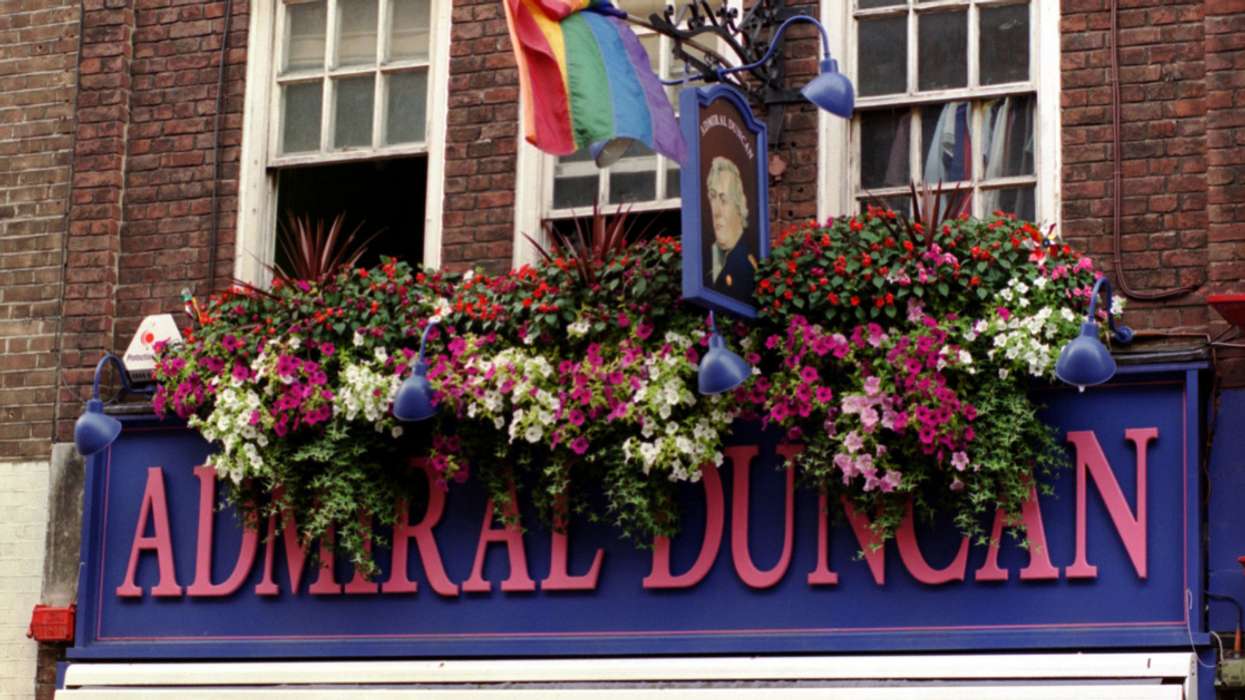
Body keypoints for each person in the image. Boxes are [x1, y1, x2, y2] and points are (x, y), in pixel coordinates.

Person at [703, 156, 756, 304]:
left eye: (724, 200)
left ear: (740, 208)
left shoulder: (745, 267)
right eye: (713, 198)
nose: (716, 211)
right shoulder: (709, 264)